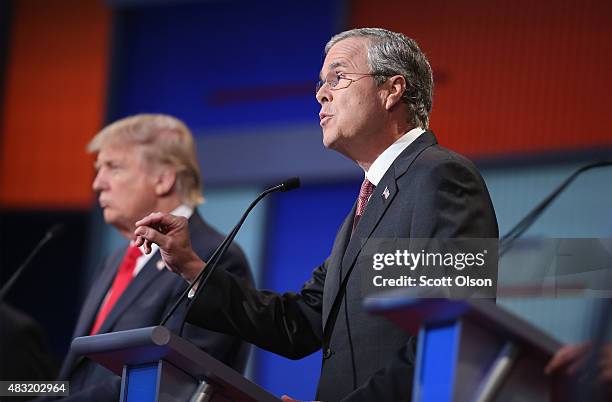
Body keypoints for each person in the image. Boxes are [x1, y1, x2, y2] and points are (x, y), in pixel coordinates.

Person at [134, 28, 498, 401]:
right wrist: (191, 266)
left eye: (338, 78)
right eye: (321, 84)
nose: (321, 94)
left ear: (392, 90)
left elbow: (450, 329)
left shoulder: (440, 176)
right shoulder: (368, 205)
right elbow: (297, 323)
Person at [49, 114, 253, 402]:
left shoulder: (211, 259)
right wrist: (13, 391)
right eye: (98, 169)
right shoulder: (114, 261)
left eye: (113, 167)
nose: (97, 183)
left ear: (163, 179)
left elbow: (168, 381)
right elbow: (71, 383)